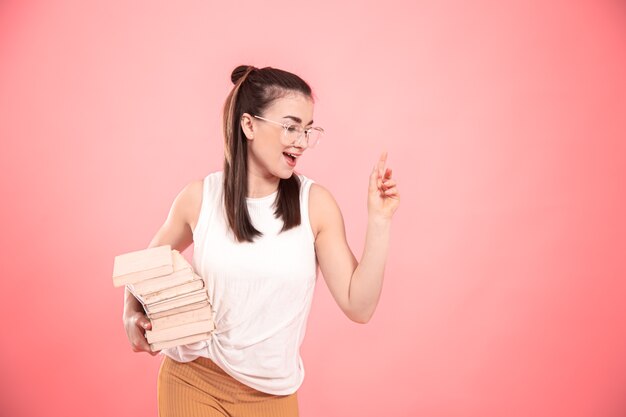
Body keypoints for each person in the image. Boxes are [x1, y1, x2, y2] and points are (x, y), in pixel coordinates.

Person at [122, 64, 400, 417]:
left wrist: (379, 221)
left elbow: (358, 306)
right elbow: (147, 267)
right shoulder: (200, 197)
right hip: (193, 379)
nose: (301, 141)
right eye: (290, 127)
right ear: (249, 124)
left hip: (272, 394)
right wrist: (130, 314)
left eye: (308, 130)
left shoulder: (314, 204)